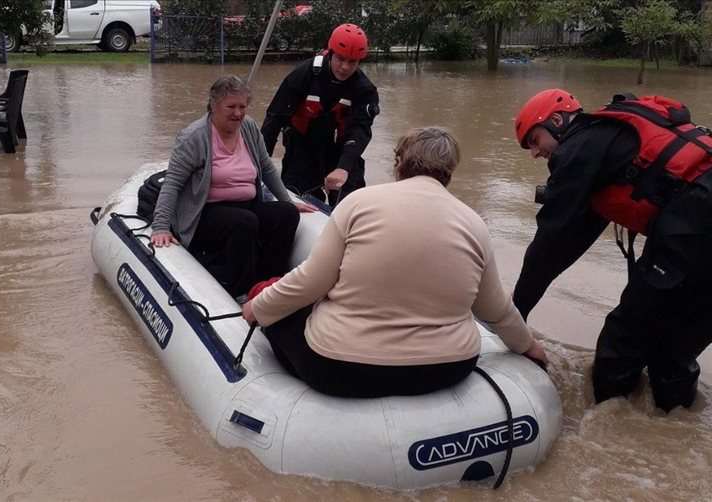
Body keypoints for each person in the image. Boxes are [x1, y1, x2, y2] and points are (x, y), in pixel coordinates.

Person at [242, 126, 549, 398]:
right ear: (448, 172)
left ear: (399, 164)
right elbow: (495, 310)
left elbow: (310, 284)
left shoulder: (358, 204)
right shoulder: (473, 224)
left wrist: (258, 307)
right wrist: (528, 346)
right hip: (447, 368)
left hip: (340, 367)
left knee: (281, 316)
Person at [513, 89, 712, 412]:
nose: (535, 153)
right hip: (697, 228)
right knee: (673, 351)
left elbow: (549, 240)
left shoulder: (576, 150)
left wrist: (515, 313)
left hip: (694, 226)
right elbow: (573, 240)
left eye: (534, 140)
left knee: (623, 338)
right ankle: (669, 433)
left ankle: (607, 423)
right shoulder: (606, 142)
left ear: (556, 120)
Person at [151, 75, 315, 300]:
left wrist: (287, 201)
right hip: (206, 212)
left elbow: (266, 167)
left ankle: (269, 282)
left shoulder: (247, 127)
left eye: (242, 106)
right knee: (244, 223)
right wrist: (161, 226)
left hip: (246, 204)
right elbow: (173, 183)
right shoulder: (194, 137)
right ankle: (241, 292)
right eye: (231, 107)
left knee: (285, 215)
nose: (238, 113)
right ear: (213, 106)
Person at [261, 23, 380, 206]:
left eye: (353, 61)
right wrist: (260, 160)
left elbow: (359, 131)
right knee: (298, 193)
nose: (345, 67)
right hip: (302, 145)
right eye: (340, 59)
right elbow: (275, 118)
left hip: (342, 149)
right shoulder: (305, 74)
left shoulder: (364, 90)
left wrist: (343, 167)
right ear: (330, 52)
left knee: (351, 199)